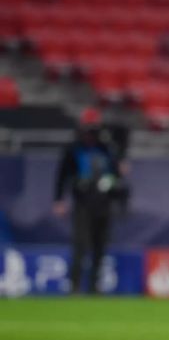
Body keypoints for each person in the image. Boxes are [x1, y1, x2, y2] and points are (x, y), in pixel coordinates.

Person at [53, 107, 128, 294]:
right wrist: (59, 198)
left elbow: (117, 174)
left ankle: (94, 286)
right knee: (80, 244)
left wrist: (120, 170)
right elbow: (62, 175)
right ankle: (75, 285)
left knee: (100, 245)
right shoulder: (74, 149)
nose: (91, 134)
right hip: (83, 202)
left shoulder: (107, 148)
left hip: (103, 201)